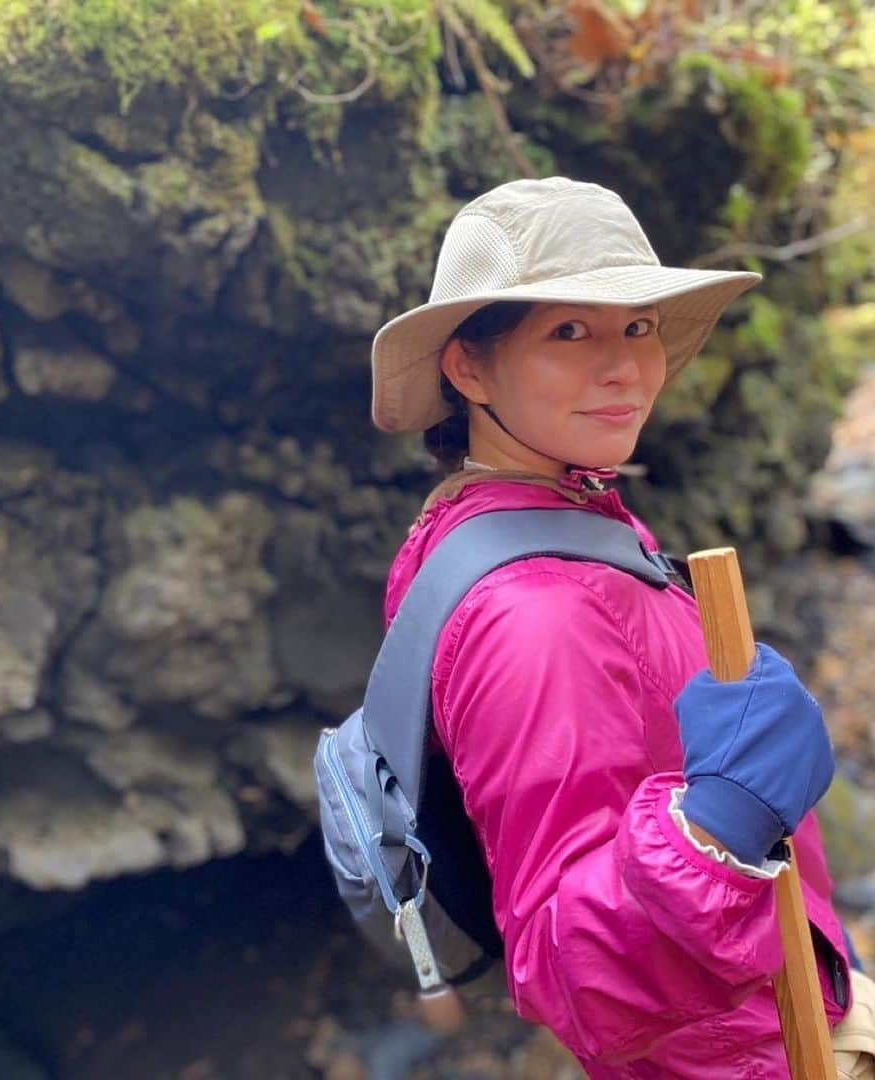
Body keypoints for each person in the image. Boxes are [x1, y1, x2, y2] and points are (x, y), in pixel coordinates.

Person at [370, 177, 875, 1078]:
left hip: (784, 998)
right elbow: (570, 972)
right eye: (571, 331)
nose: (627, 367)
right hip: (756, 1053)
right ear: (469, 368)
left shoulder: (508, 517)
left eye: (638, 326)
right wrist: (719, 824)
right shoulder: (530, 614)